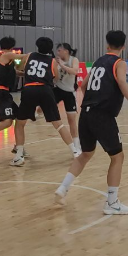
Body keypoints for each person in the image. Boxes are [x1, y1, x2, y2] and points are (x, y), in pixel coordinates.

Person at [54, 30, 128, 215]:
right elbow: (122, 82)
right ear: (124, 46)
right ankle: (112, 202)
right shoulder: (119, 63)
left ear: (107, 45)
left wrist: (91, 100)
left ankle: (63, 188)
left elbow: (83, 85)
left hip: (86, 114)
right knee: (117, 157)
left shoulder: (97, 62)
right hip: (102, 116)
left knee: (85, 154)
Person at [11, 37, 79, 167]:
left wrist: (25, 74)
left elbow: (19, 68)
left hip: (29, 89)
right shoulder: (52, 61)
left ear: (37, 45)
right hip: (45, 90)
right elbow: (56, 78)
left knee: (20, 123)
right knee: (58, 124)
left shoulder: (29, 55)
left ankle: (19, 155)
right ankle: (75, 151)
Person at [54, 42, 81, 152]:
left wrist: (61, 65)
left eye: (59, 50)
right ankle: (37, 114)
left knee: (72, 120)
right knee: (41, 108)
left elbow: (74, 71)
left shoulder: (73, 60)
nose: (57, 52)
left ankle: (77, 145)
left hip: (69, 92)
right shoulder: (55, 61)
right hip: (57, 89)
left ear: (66, 51)